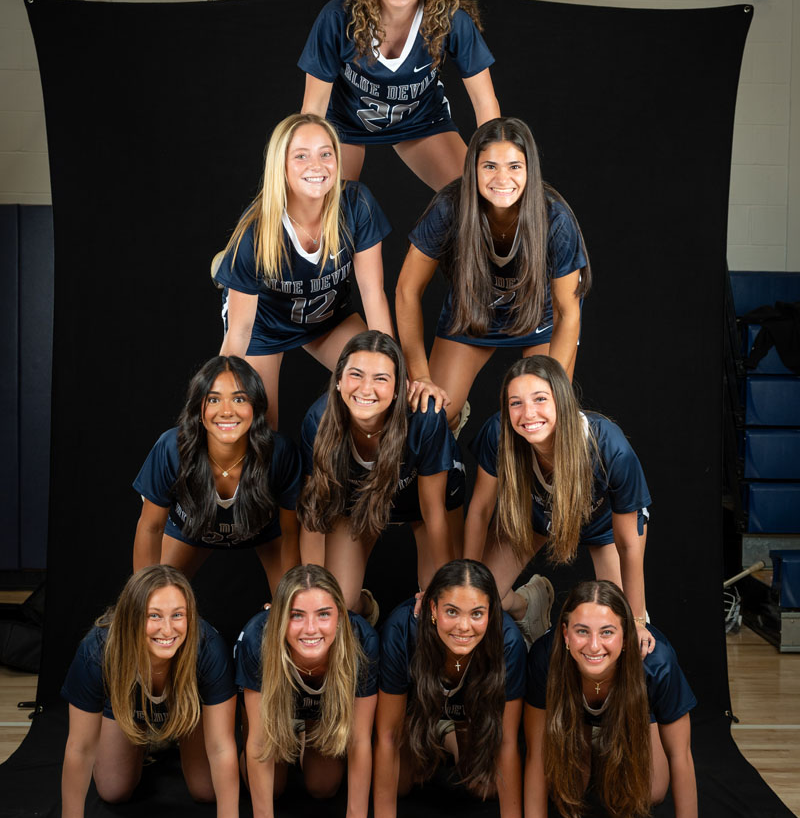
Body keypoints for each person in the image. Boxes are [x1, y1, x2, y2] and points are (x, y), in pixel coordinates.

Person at [396, 117, 589, 430]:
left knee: (546, 416)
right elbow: (407, 290)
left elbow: (568, 312)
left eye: (514, 166)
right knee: (429, 418)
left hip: (538, 317)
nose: (502, 178)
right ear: (473, 168)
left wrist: (555, 388)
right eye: (489, 166)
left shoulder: (555, 218)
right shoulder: (450, 206)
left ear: (530, 170)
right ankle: (452, 427)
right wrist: (420, 376)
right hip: (473, 313)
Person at [42, 565, 244, 818]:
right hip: (128, 708)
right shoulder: (97, 650)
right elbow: (80, 747)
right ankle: (145, 743)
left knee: (206, 790)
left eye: (178, 615)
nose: (168, 629)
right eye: (154, 616)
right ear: (131, 616)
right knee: (113, 790)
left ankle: (169, 737)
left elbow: (221, 745)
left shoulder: (207, 646)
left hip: (188, 709)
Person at [213, 112, 393, 428]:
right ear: (281, 166)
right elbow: (240, 331)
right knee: (260, 430)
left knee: (381, 394)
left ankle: (228, 269)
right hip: (264, 325)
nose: (316, 165)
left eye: (326, 154)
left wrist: (393, 369)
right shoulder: (255, 232)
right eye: (301, 156)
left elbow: (372, 293)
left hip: (328, 318)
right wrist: (222, 395)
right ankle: (230, 273)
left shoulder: (356, 204)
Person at [520, 580, 715, 818]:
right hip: (574, 707)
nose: (594, 645)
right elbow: (536, 752)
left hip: (632, 710)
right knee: (569, 789)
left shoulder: (656, 663)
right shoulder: (545, 658)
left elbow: (680, 754)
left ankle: (610, 738)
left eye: (607, 632)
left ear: (626, 635)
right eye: (582, 631)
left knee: (651, 793)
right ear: (565, 634)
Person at [465, 356, 653, 654]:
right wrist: (465, 582)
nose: (528, 413)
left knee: (620, 625)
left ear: (562, 400)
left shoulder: (609, 446)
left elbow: (629, 544)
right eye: (516, 403)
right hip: (538, 515)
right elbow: (480, 511)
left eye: (540, 399)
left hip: (603, 525)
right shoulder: (499, 433)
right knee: (480, 600)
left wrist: (638, 619)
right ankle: (527, 606)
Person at [299, 0, 500, 192]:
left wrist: (494, 164)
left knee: (472, 197)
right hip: (345, 123)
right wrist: (308, 162)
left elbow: (484, 101)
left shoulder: (451, 20)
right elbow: (313, 108)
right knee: (328, 204)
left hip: (421, 121)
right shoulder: (339, 17)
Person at [367, 559, 527, 818]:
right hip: (418, 715)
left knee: (485, 787)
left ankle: (450, 737)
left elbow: (507, 740)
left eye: (476, 613)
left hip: (469, 713)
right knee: (400, 784)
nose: (463, 626)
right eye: (452, 612)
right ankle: (434, 739)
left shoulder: (508, 641)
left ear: (491, 613)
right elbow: (387, 734)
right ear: (432, 609)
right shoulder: (402, 629)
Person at [297, 331, 464, 618]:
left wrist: (443, 586)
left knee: (440, 603)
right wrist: (309, 590)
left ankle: (448, 434)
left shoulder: (424, 418)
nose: (366, 389)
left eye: (381, 379)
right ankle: (367, 609)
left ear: (399, 388)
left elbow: (433, 510)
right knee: (336, 602)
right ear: (338, 380)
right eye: (356, 375)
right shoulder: (319, 420)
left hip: (418, 497)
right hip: (360, 498)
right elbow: (314, 512)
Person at [235, 564, 378, 818]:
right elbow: (259, 742)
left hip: (324, 710)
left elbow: (360, 740)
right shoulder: (257, 638)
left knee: (323, 786)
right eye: (296, 615)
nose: (311, 629)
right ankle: (289, 736)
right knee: (272, 788)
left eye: (323, 614)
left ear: (340, 617)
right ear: (278, 617)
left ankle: (305, 735)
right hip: (275, 712)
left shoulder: (362, 640)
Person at [133, 356, 301, 594]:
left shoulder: (280, 452)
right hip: (191, 527)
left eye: (239, 399)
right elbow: (150, 527)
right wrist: (143, 599)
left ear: (255, 407)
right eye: (213, 399)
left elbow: (291, 533)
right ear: (199, 410)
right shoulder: (172, 448)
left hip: (263, 529)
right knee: (154, 599)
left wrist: (290, 600)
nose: (227, 411)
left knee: (290, 607)